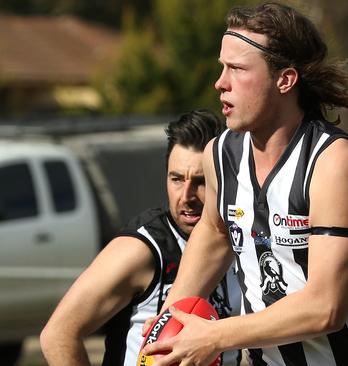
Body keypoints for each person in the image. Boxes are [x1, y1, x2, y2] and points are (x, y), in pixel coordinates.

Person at [140, 3, 348, 366]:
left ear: (285, 80)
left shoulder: (335, 163)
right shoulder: (221, 154)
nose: (220, 83)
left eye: (237, 69)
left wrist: (214, 335)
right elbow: (214, 235)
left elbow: (326, 308)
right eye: (222, 67)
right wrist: (170, 324)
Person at [40, 109, 242, 366]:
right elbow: (58, 335)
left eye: (201, 182)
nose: (187, 196)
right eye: (177, 179)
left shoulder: (242, 238)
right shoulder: (141, 249)